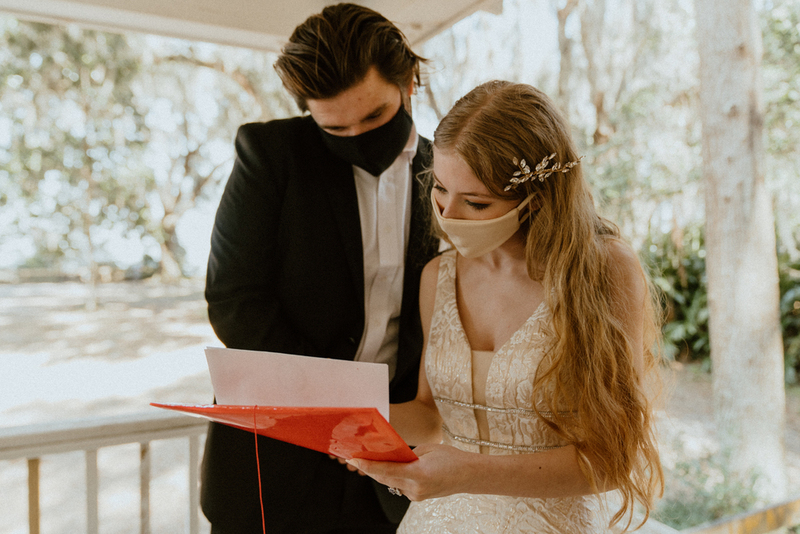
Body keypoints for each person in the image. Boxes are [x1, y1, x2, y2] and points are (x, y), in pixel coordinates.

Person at [347, 80, 664, 533]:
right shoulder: (438, 276)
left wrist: (466, 472)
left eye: (476, 202)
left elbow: (612, 459)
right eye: (439, 188)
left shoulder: (603, 271)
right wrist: (346, 420)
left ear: (538, 198)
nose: (447, 214)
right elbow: (430, 413)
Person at [200, 4, 440, 533]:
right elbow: (235, 302)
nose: (356, 135)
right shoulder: (270, 155)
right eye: (334, 126)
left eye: (374, 117)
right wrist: (340, 409)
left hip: (393, 474)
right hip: (273, 465)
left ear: (409, 83)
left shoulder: (450, 172)